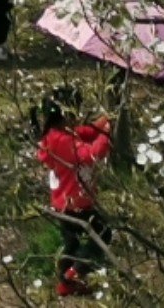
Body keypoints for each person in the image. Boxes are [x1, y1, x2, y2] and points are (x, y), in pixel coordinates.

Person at [35, 95, 111, 297]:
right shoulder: (65, 141)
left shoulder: (53, 136)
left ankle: (65, 284)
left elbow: (84, 133)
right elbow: (93, 154)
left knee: (72, 243)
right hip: (77, 204)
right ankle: (73, 274)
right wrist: (105, 134)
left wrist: (100, 124)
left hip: (62, 204)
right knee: (103, 233)